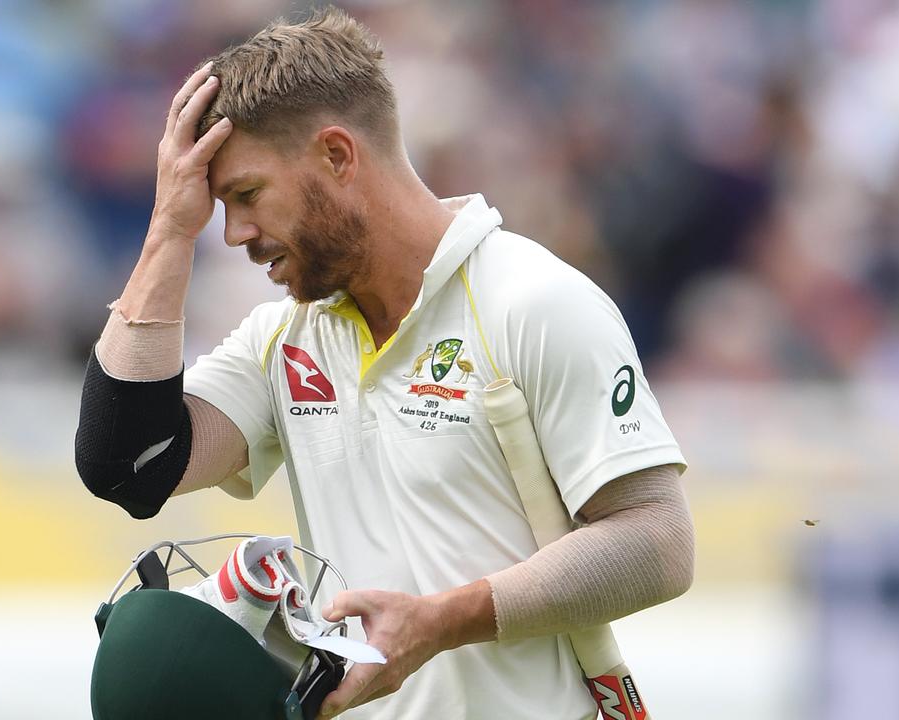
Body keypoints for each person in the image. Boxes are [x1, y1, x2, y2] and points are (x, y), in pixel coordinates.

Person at [74, 7, 694, 719]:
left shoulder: (534, 302)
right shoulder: (286, 339)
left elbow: (657, 540)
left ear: (337, 155)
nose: (236, 232)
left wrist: (442, 619)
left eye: (246, 196)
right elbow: (129, 466)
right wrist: (168, 231)